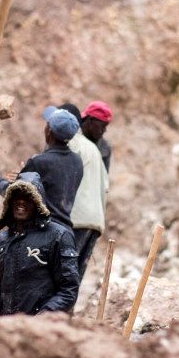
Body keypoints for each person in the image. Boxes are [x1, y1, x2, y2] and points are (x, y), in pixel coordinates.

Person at [0, 172, 80, 315]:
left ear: (38, 203)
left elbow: (68, 290)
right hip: (4, 330)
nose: (21, 201)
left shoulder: (58, 237)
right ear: (9, 201)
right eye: (16, 196)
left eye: (28, 197)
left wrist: (40, 320)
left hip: (41, 330)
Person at [0, 108, 82, 230]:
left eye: (47, 125)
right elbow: (54, 189)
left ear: (49, 131)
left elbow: (11, 193)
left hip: (40, 231)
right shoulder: (77, 162)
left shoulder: (39, 162)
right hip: (64, 231)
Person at [53, 104, 109, 280]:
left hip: (75, 220)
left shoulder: (69, 144)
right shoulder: (95, 149)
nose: (104, 132)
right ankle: (67, 308)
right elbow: (105, 186)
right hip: (95, 221)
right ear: (88, 121)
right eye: (103, 126)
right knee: (73, 278)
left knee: (60, 277)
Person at [81, 101, 113, 172]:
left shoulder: (104, 148)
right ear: (90, 120)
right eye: (102, 126)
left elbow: (104, 179)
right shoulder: (71, 138)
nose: (104, 130)